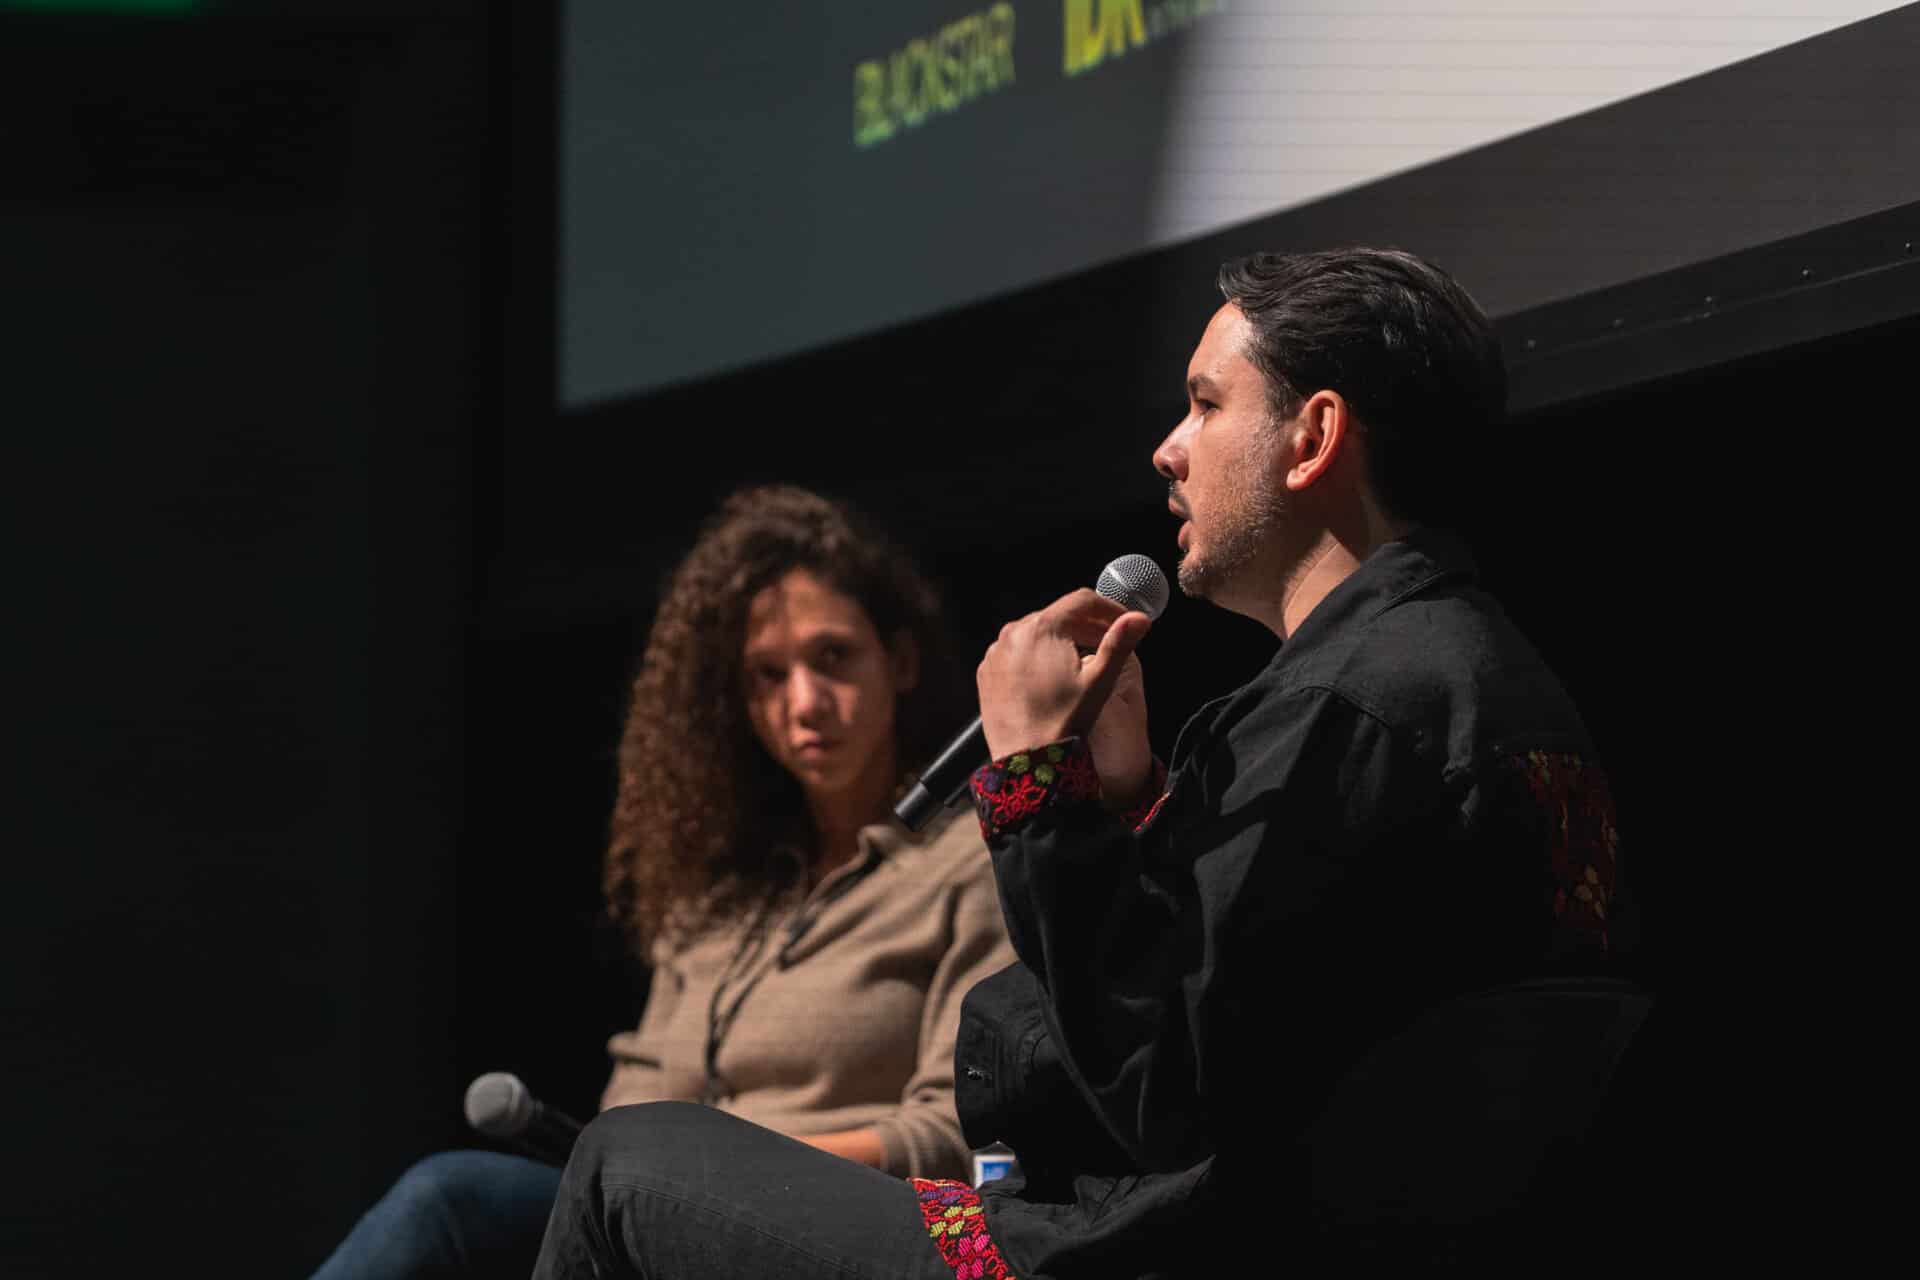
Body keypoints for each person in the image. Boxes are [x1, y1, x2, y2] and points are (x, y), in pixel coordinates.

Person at [530, 248, 1632, 1278]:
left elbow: (1160, 1090)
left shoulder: (1351, 703)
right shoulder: (1463, 670)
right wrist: (1135, 799)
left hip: (1153, 1249)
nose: (1167, 446)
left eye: (1206, 404)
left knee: (626, 1165)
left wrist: (1035, 782)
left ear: (1312, 437)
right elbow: (1270, 1007)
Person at [310, 485, 1014, 1279]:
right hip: (662, 1220)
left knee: (451, 1195)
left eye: (834, 657)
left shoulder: (968, 862)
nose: (806, 702)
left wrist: (711, 1177)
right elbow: (630, 1108)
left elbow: (955, 1133)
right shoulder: (721, 901)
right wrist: (667, 1180)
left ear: (902, 661)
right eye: (768, 676)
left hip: (837, 1227)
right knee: (461, 1205)